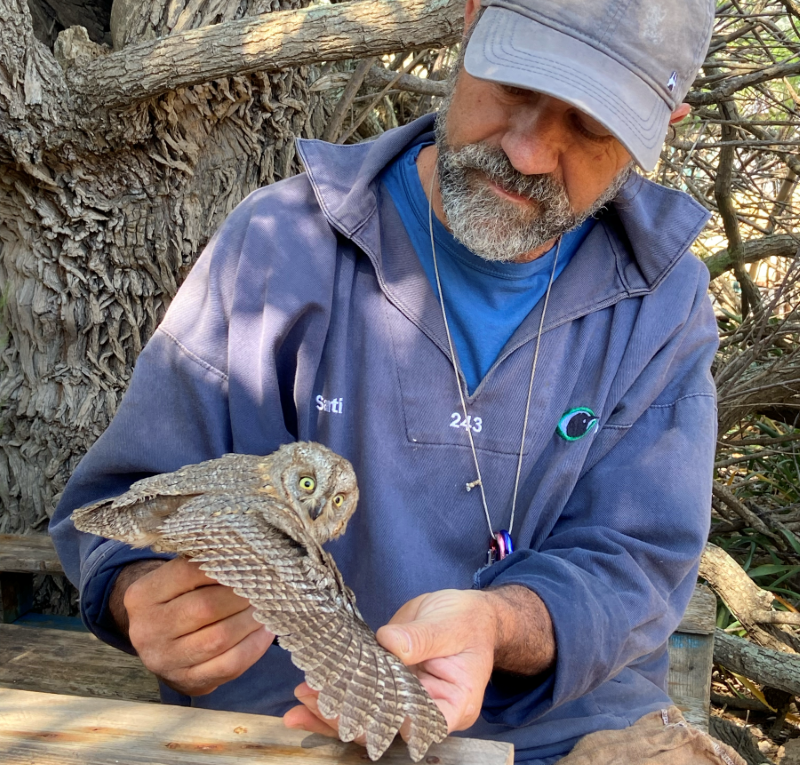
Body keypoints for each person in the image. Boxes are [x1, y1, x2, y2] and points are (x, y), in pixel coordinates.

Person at [50, 0, 742, 762]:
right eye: (516, 87)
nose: (531, 151)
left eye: (589, 126)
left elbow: (637, 560)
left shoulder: (664, 304)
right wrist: (137, 597)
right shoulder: (282, 244)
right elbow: (130, 500)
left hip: (560, 736)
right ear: (472, 21)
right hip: (292, 726)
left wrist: (502, 624)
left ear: (662, 127)